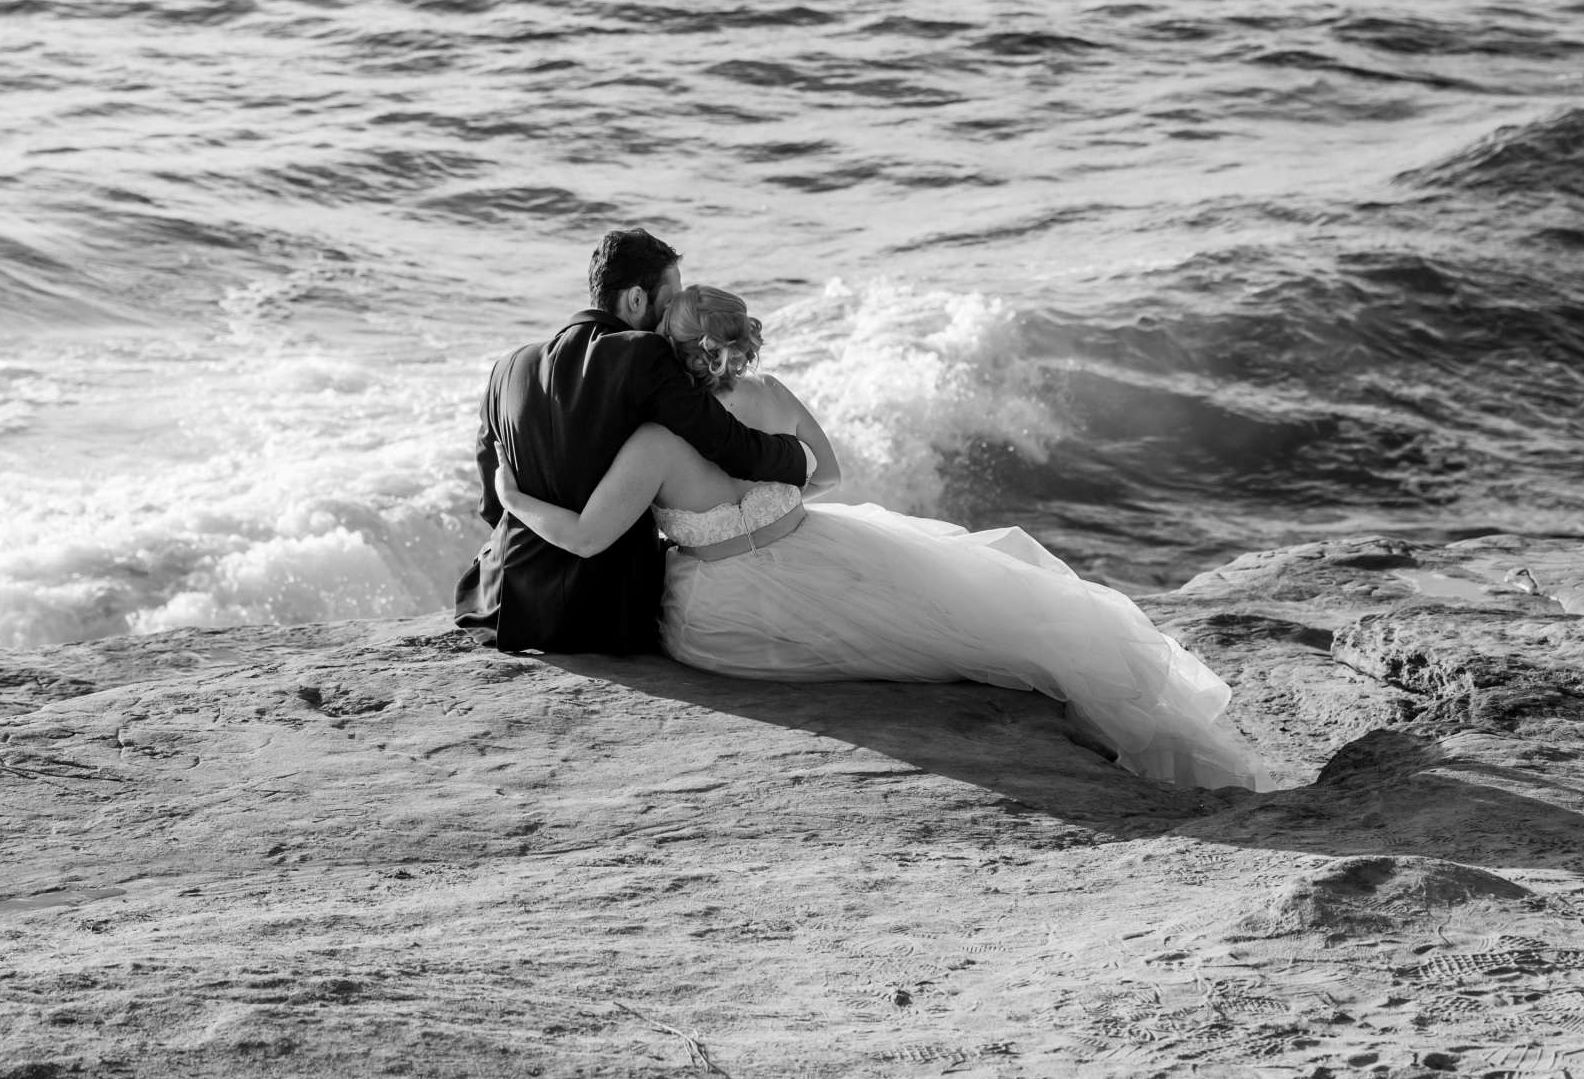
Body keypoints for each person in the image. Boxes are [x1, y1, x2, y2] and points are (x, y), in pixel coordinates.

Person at [493, 285, 1260, 790]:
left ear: (667, 353)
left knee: (933, 645)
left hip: (719, 617)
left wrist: (512, 495)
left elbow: (590, 540)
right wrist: (768, 501)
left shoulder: (652, 442)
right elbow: (825, 475)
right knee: (980, 619)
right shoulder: (769, 395)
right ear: (738, 346)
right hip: (819, 549)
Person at [454, 229, 815, 655]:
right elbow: (729, 446)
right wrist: (800, 461)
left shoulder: (506, 367)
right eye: (668, 304)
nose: (672, 321)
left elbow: (492, 503)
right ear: (636, 300)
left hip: (506, 605)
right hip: (610, 613)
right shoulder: (645, 354)